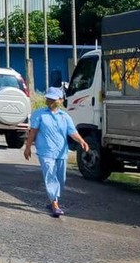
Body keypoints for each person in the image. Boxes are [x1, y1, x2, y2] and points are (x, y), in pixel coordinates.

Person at [24, 87, 90, 217]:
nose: (50, 101)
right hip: (45, 151)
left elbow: (72, 132)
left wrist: (82, 141)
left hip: (61, 152)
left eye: (53, 99)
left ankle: (53, 199)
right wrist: (27, 147)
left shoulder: (65, 116)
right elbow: (33, 132)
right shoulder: (39, 114)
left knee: (61, 178)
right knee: (50, 175)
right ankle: (54, 204)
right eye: (48, 98)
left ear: (61, 100)